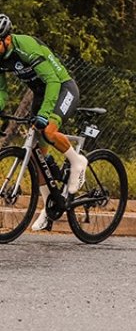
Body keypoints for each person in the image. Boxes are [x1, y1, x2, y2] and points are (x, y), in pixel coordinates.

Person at [0, 15, 90, 230]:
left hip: (63, 88)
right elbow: (1, 91)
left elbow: (52, 80)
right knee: (36, 154)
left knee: (48, 129)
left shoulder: (27, 48)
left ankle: (78, 161)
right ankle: (50, 207)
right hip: (41, 94)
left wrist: (45, 114)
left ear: (7, 39)